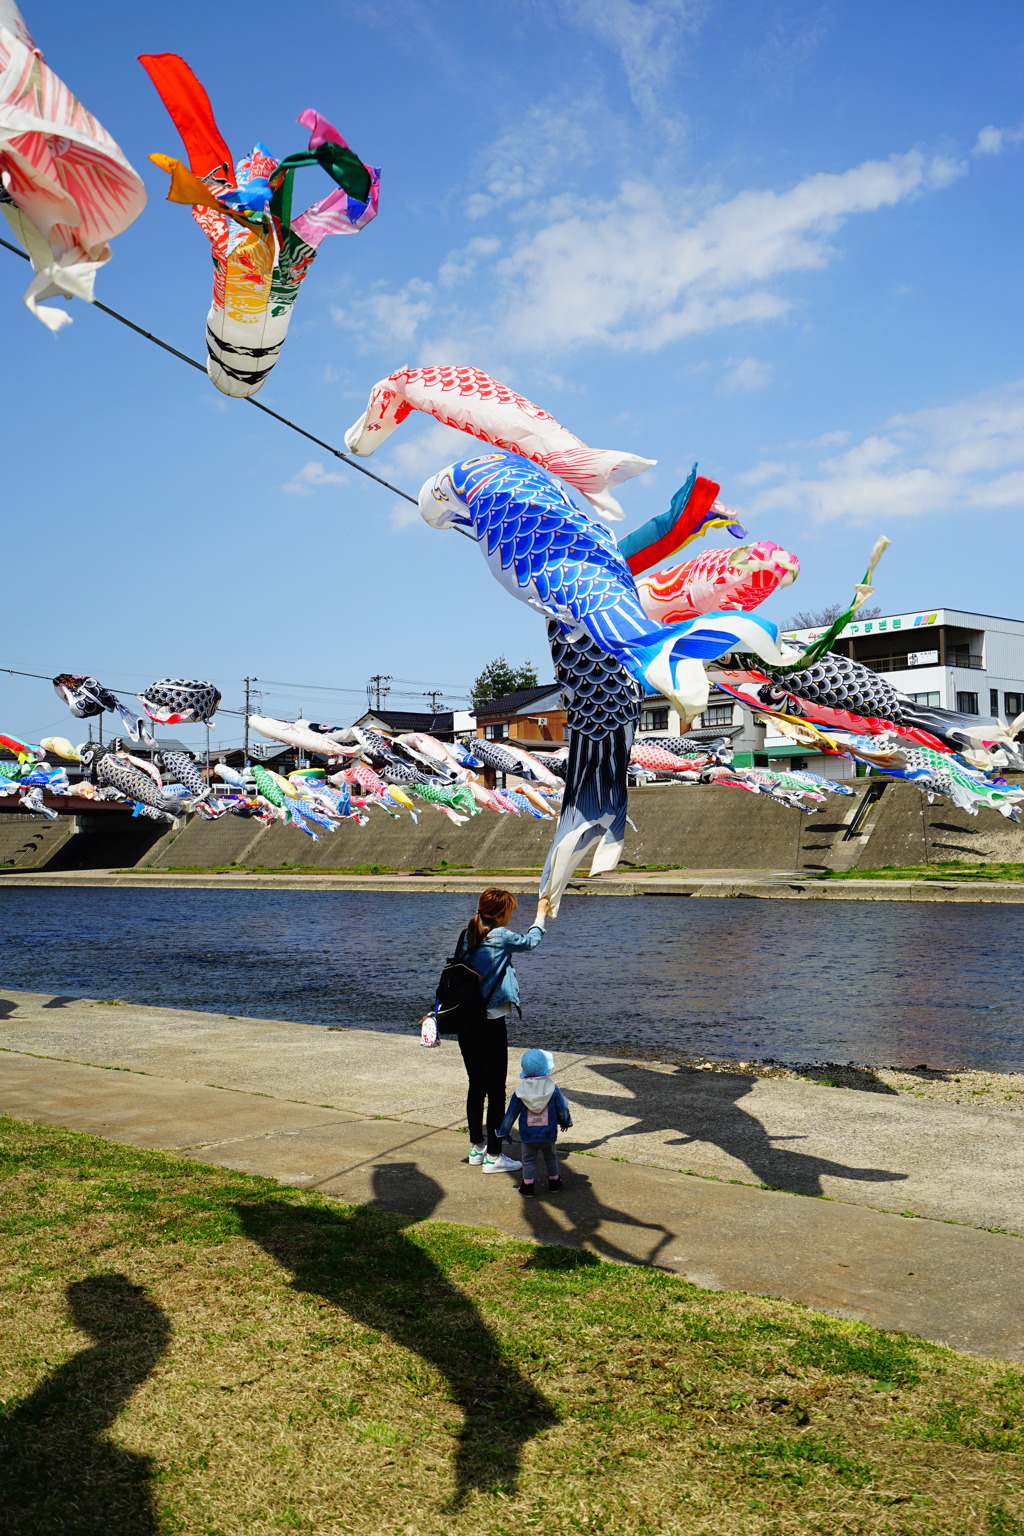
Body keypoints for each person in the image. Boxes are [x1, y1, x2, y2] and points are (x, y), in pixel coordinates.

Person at [457, 886, 549, 1174]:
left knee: (476, 1085)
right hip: (490, 1020)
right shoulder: (500, 935)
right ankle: (495, 1156)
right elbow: (531, 942)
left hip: (465, 1020)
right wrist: (541, 914)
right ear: (500, 913)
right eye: (510, 909)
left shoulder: (469, 932)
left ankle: (477, 1148)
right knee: (496, 1089)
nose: (512, 913)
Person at [498, 1048, 573, 1195]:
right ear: (546, 1068)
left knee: (528, 1160)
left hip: (528, 1135)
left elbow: (511, 1114)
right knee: (551, 1157)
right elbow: (562, 1107)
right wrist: (565, 1122)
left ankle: (527, 1186)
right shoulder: (552, 1089)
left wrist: (504, 1132)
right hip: (548, 1133)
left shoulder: (521, 1091)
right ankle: (554, 1182)